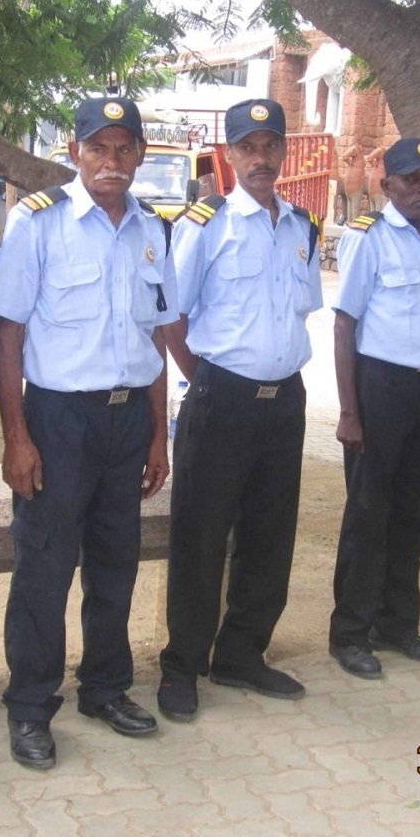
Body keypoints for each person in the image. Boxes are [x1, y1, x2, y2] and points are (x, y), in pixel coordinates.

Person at [0, 96, 175, 768]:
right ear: (75, 153)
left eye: (124, 149)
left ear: (140, 156)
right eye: (98, 148)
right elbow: (10, 337)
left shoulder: (153, 229)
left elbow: (155, 337)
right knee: (44, 567)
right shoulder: (39, 223)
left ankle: (105, 688)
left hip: (128, 418)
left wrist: (158, 434)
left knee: (115, 562)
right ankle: (30, 706)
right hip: (58, 419)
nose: (110, 161)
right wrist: (16, 437)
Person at [156, 98, 323, 722]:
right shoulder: (207, 224)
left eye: (270, 145)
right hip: (222, 398)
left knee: (270, 535)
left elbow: (302, 309)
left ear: (283, 151)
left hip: (285, 400)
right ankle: (182, 666)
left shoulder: (302, 227)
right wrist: (203, 378)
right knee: (200, 536)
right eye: (248, 147)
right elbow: (171, 313)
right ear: (229, 155)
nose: (260, 158)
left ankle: (242, 653)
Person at [328, 137, 420, 678]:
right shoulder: (370, 238)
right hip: (380, 388)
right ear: (387, 185)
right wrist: (349, 411)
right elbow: (344, 325)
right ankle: (350, 634)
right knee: (368, 515)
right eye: (411, 179)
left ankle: (398, 626)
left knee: (413, 516)